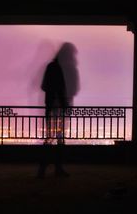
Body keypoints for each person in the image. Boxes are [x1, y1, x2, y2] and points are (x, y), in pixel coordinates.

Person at [37, 42, 79, 178]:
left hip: (51, 108)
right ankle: (58, 168)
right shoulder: (71, 68)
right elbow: (75, 88)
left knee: (49, 138)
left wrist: (52, 94)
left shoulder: (52, 67)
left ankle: (43, 168)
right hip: (63, 108)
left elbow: (44, 86)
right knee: (60, 139)